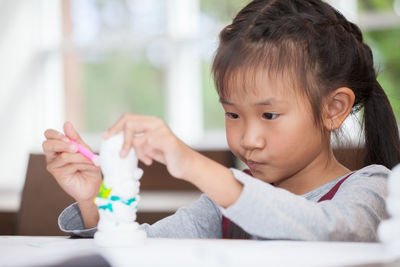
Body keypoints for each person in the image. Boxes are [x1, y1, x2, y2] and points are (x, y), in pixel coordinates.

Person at [43, 0, 400, 241]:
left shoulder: (374, 188)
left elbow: (325, 232)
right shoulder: (220, 204)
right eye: (232, 114)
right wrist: (95, 200)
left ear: (334, 109)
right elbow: (144, 248)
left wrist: (195, 165)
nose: (249, 139)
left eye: (269, 115)